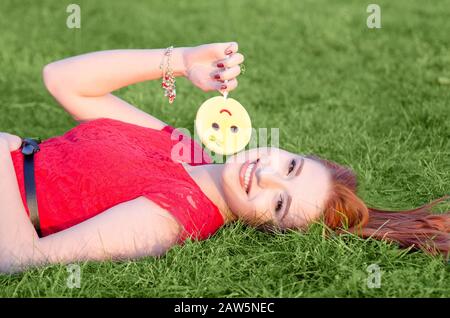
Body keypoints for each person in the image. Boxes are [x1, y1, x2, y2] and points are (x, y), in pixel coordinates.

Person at [0, 42, 448, 274]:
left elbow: (20, 258)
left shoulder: (172, 219)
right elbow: (63, 80)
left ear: (264, 225)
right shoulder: (184, 149)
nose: (267, 178)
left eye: (279, 204)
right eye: (290, 167)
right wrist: (184, 60)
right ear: (288, 151)